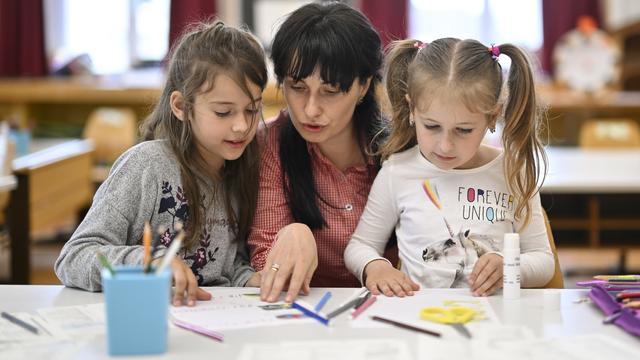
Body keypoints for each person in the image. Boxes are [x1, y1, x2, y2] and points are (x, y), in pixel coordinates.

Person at [55, 20, 268, 306]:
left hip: (210, 324)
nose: (242, 126)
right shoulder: (145, 167)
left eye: (252, 110)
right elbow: (74, 257)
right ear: (180, 106)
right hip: (142, 318)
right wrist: (150, 264)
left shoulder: (242, 168)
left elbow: (228, 265)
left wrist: (251, 278)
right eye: (223, 112)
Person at [344, 38, 555, 297]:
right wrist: (375, 267)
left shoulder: (513, 172)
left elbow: (544, 261)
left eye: (464, 130)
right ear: (412, 109)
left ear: (492, 117)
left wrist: (510, 267)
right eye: (431, 126)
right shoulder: (397, 172)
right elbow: (360, 246)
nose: (445, 146)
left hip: (495, 326)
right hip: (421, 323)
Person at [248, 2, 387, 302]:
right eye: (297, 87)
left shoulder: (397, 150)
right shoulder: (267, 145)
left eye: (330, 90)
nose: (310, 109)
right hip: (304, 309)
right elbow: (267, 261)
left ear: (363, 86)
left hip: (391, 311)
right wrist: (296, 234)